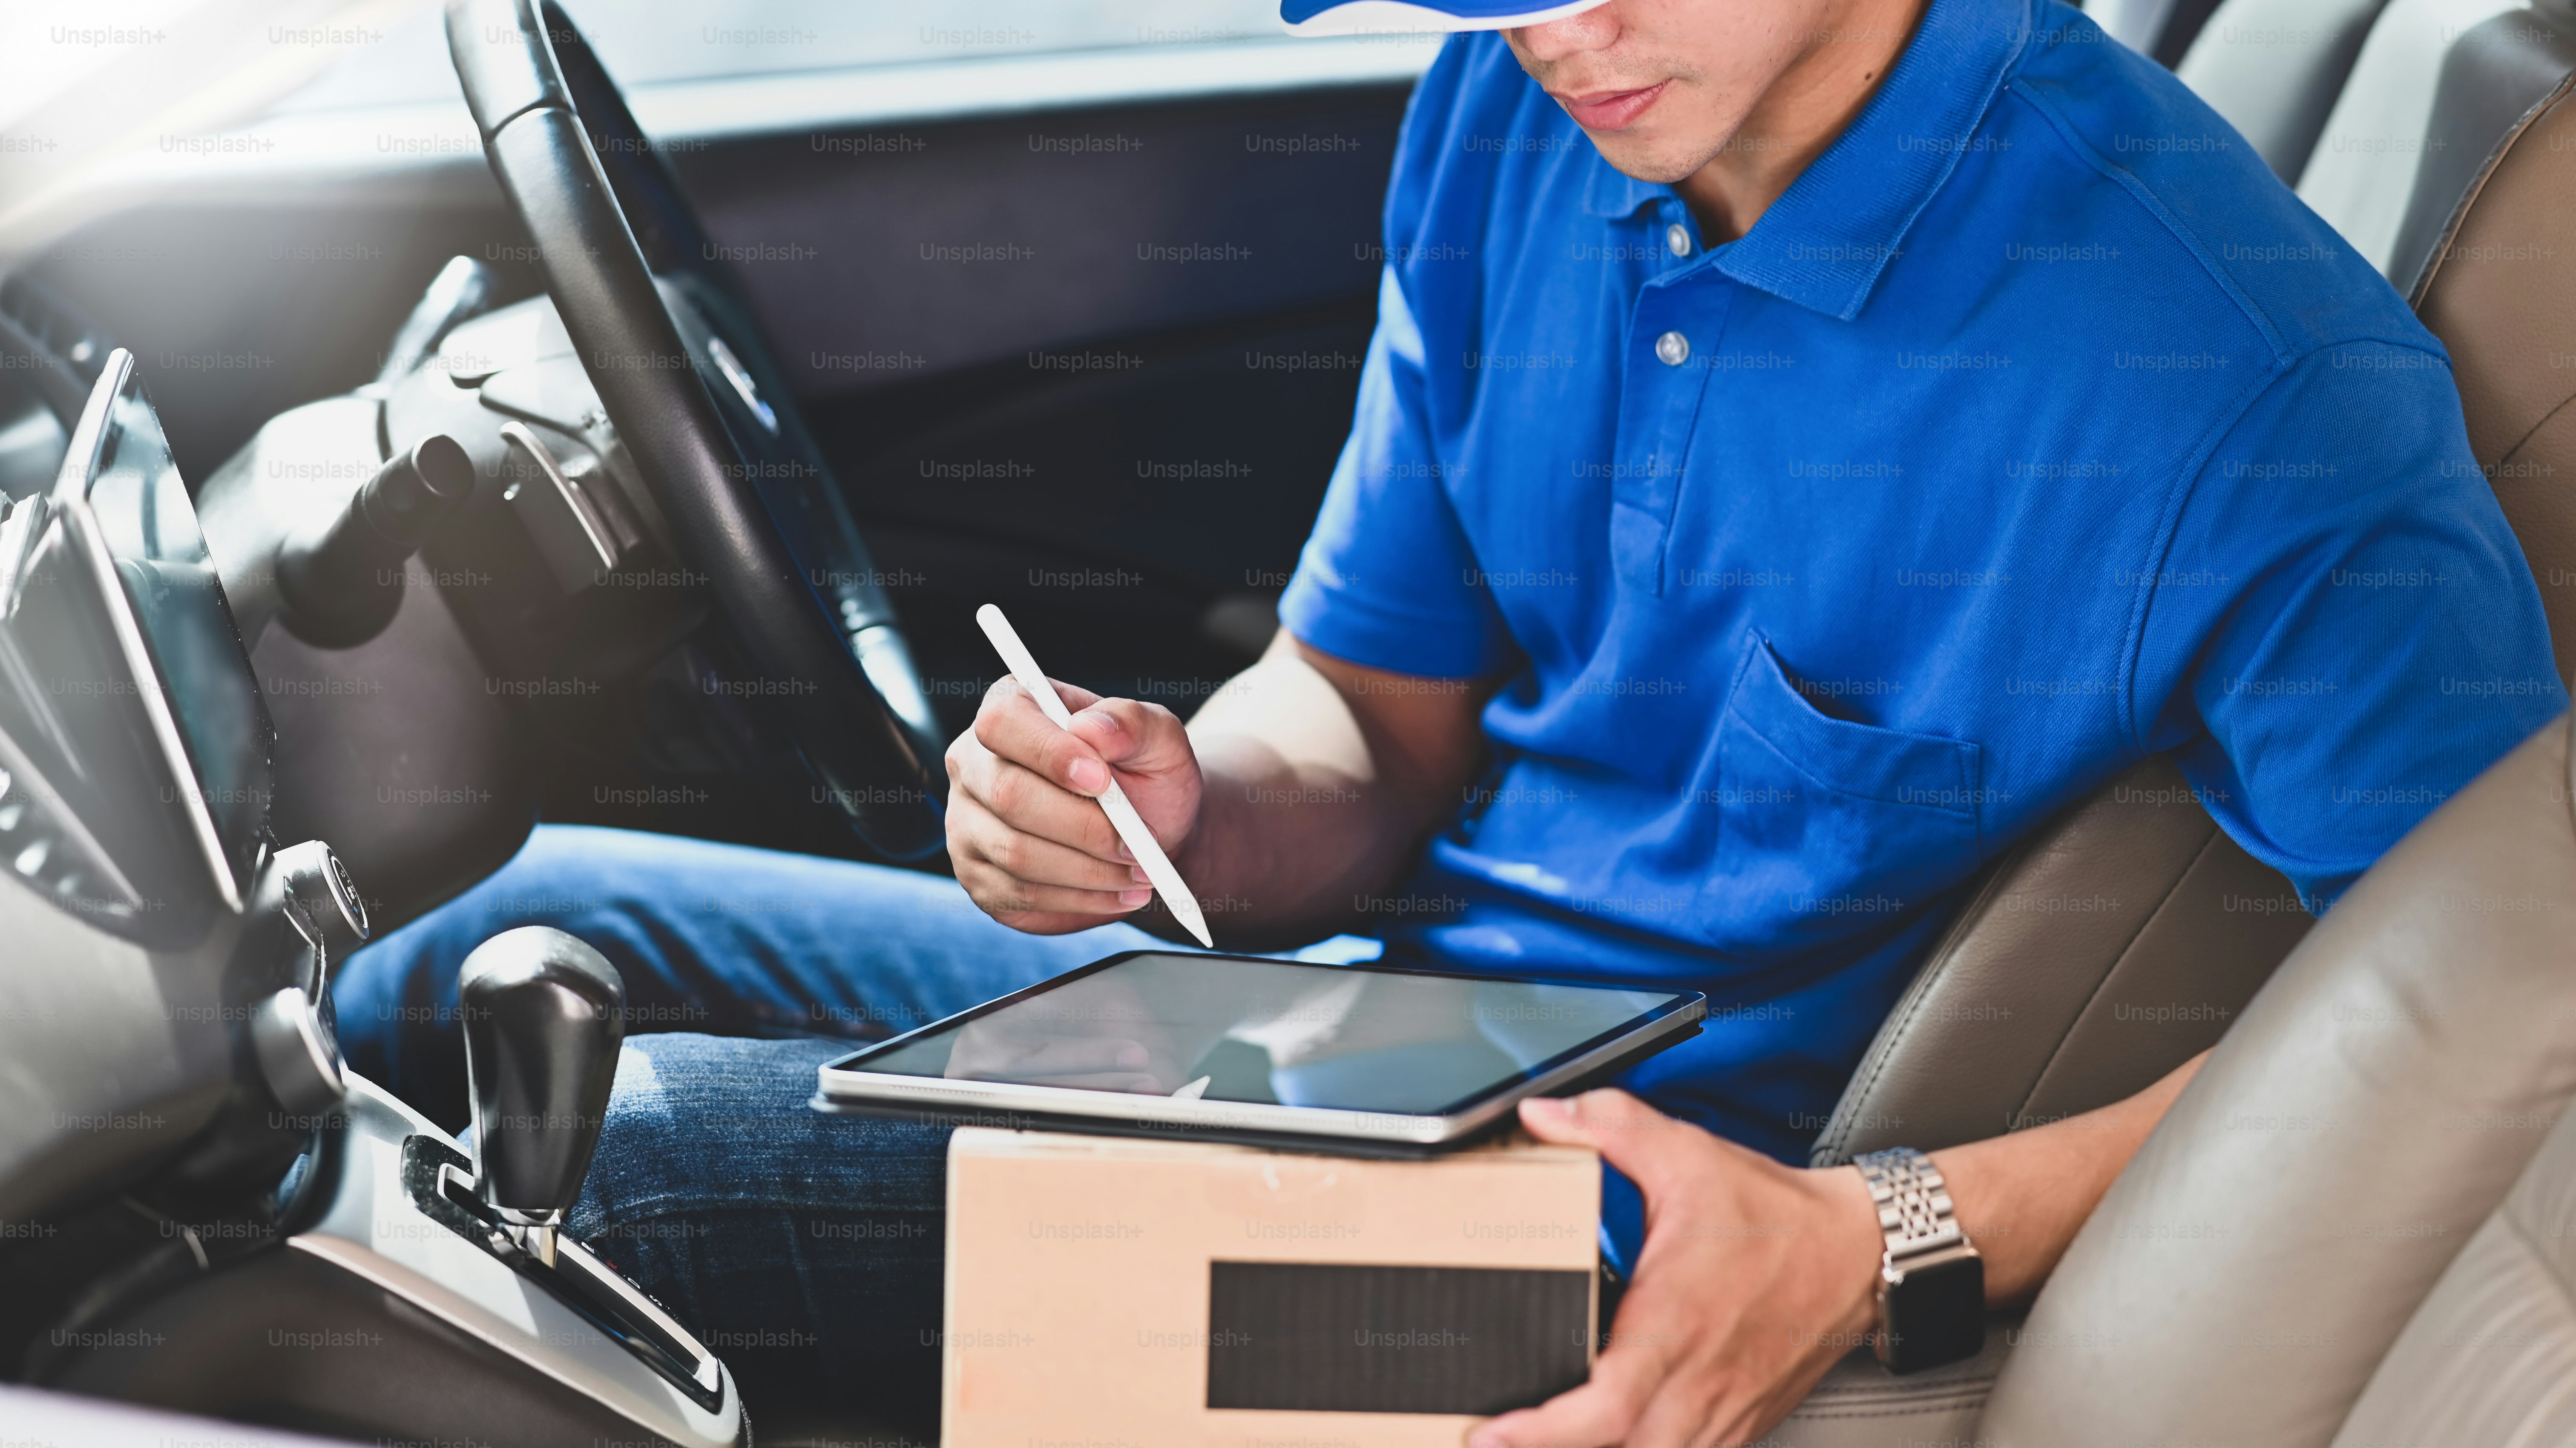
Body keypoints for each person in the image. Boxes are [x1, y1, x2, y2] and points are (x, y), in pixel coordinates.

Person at [336, 0, 2566, 1437]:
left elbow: (2484, 1056)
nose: (1553, 24)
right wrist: (1181, 800)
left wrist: (1877, 1231)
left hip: (1600, 1238)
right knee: (466, 939)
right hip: (1379, 1030)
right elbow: (1366, 718)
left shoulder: (2238, 381)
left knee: (572, 1191)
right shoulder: (1515, 108)